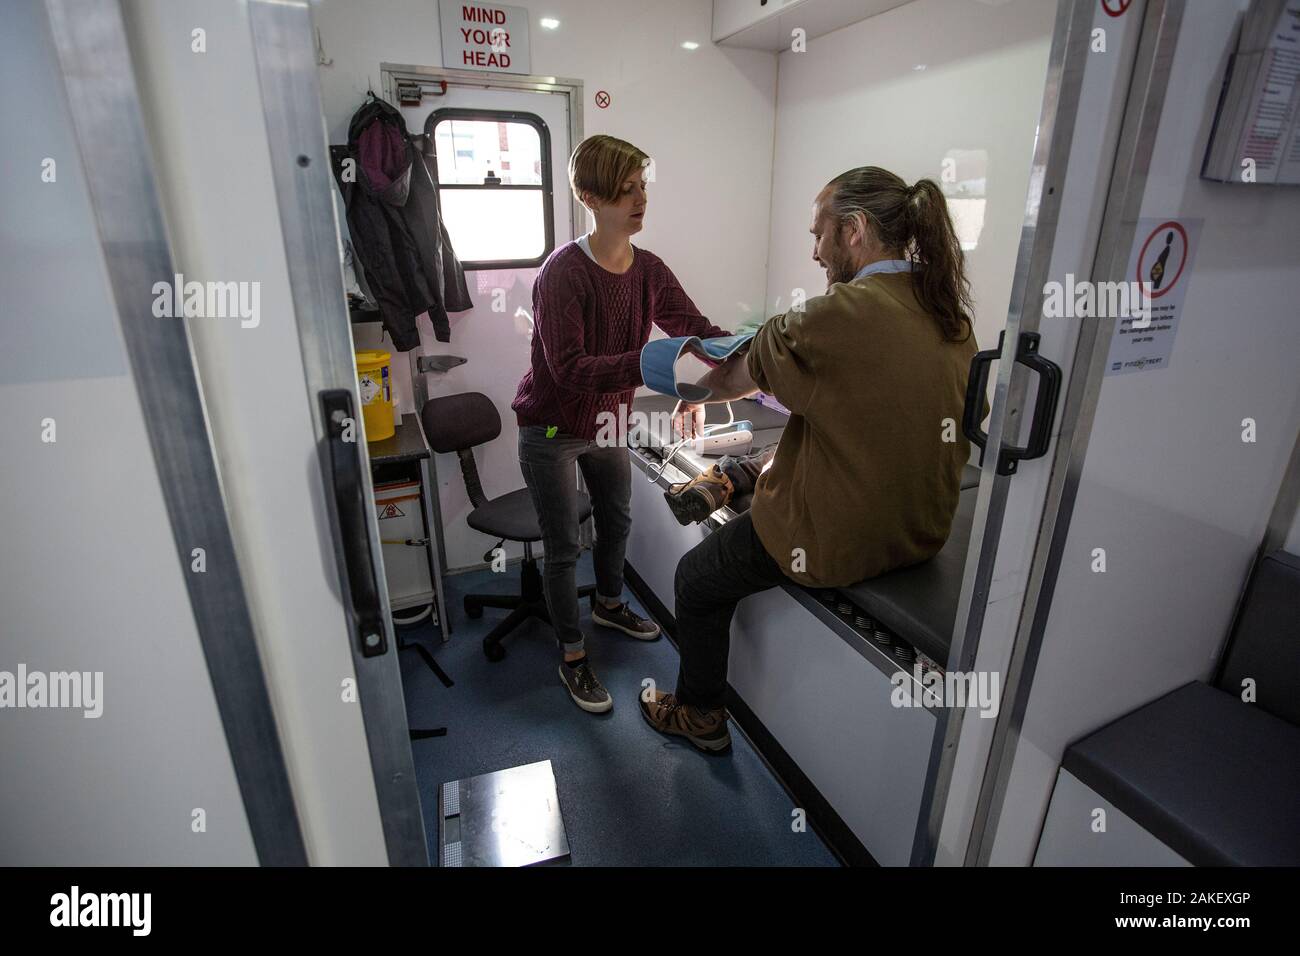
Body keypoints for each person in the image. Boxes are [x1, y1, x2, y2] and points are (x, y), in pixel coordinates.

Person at [640, 166, 983, 752]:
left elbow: (727, 378)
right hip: (922, 530)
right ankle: (734, 476)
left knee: (696, 579)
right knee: (787, 450)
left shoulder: (834, 315)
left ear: (853, 230)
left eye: (819, 233)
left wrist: (677, 387)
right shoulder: (951, 317)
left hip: (838, 539)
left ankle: (700, 716)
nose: (815, 250)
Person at [512, 135, 728, 714]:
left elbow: (693, 326)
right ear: (590, 195)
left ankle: (608, 604)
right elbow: (571, 369)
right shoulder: (562, 274)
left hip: (608, 424)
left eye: (642, 187)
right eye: (626, 190)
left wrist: (748, 350)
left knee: (617, 520)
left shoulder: (649, 270)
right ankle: (573, 655)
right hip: (552, 429)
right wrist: (649, 365)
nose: (641, 200)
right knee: (562, 548)